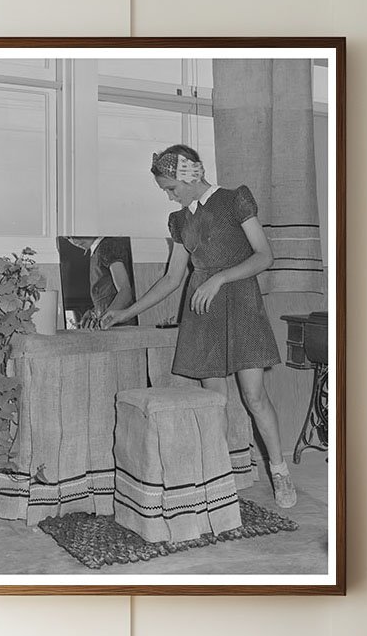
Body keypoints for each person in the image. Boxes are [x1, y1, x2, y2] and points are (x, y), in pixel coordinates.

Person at [101, 145, 297, 509]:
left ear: (190, 175)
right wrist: (125, 313)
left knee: (254, 397)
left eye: (171, 188)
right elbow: (171, 279)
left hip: (242, 305)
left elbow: (264, 256)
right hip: (203, 313)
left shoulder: (235, 200)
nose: (169, 195)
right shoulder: (179, 221)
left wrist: (220, 278)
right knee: (214, 403)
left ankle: (280, 471)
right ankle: (219, 479)